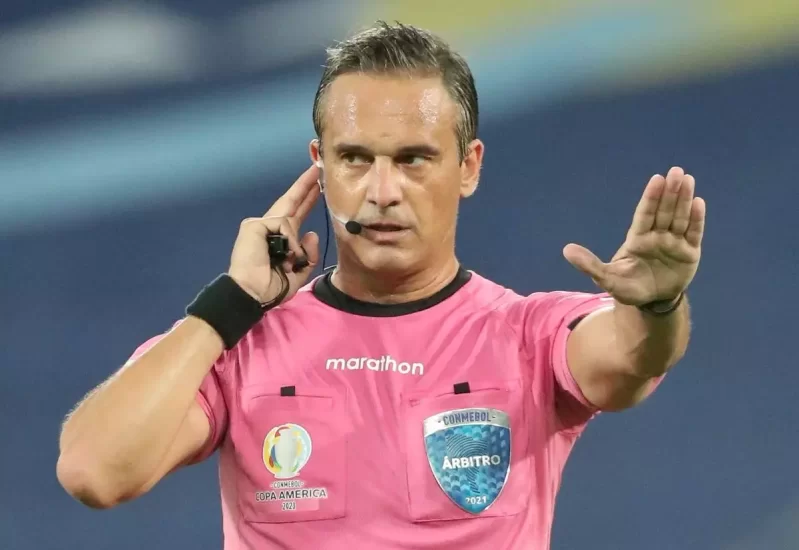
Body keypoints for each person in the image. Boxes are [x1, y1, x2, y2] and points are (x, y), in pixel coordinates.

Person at [56, 21, 706, 550]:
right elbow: (94, 472)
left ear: (468, 166)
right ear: (320, 164)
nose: (383, 190)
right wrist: (229, 303)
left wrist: (655, 303)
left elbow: (628, 356)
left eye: (413, 158)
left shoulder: (527, 336)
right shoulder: (241, 344)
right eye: (355, 158)